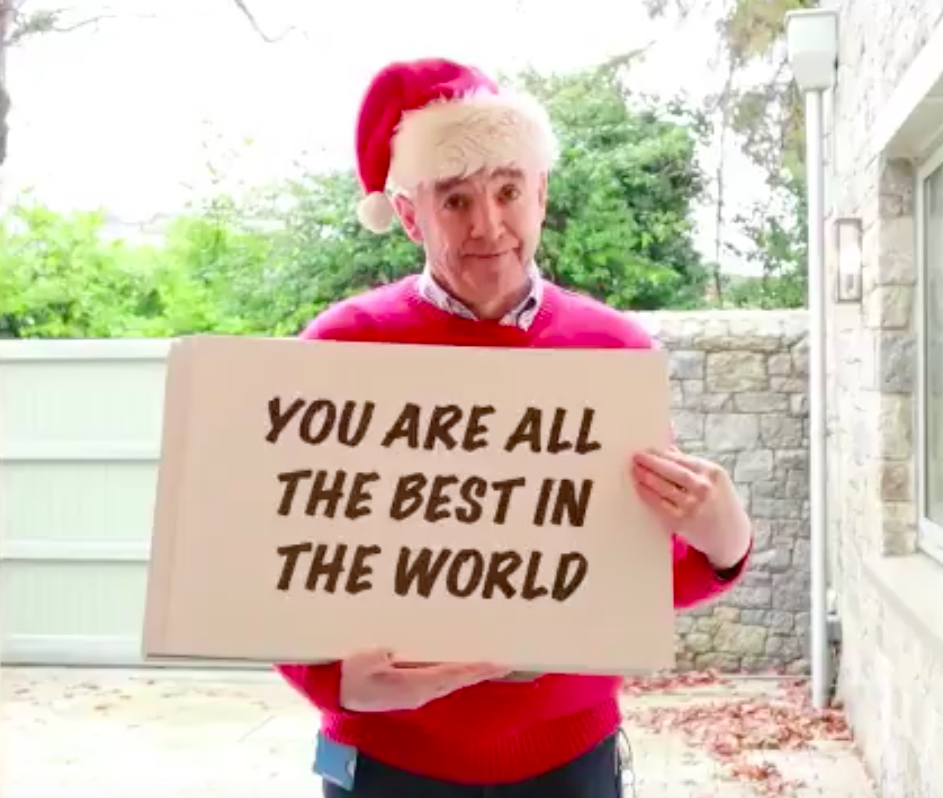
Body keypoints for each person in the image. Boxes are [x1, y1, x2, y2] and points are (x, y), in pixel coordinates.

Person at [274, 57, 754, 798]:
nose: (488, 224)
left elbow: (620, 577)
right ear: (408, 214)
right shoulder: (340, 346)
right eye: (455, 199)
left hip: (569, 763)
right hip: (387, 764)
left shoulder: (614, 351)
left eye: (506, 191)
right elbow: (276, 561)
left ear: (540, 193)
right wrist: (329, 681)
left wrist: (723, 546)